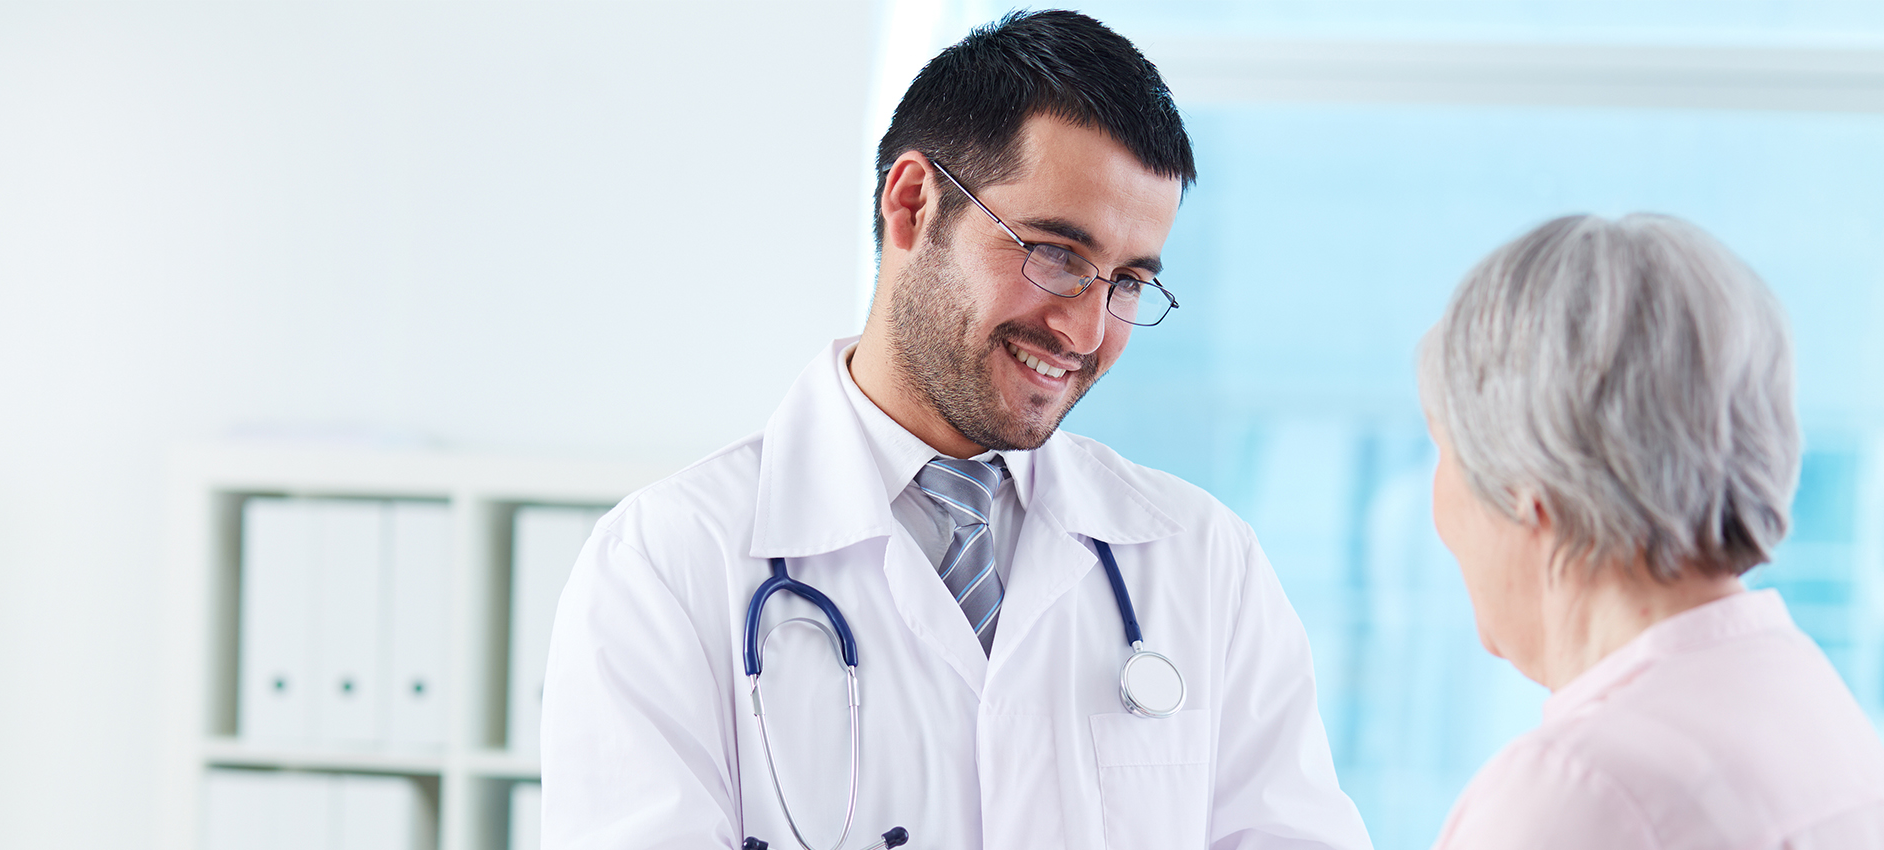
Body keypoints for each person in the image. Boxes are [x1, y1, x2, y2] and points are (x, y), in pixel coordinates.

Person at [541, 10, 1371, 850]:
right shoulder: (669, 564)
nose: (1085, 333)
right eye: (1056, 255)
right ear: (912, 205)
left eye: (1126, 283)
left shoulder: (1202, 563)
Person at [1418, 213, 1884, 849]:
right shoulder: (1821, 715)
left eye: (1441, 447)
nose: (1436, 509)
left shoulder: (1575, 794)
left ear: (1529, 481)